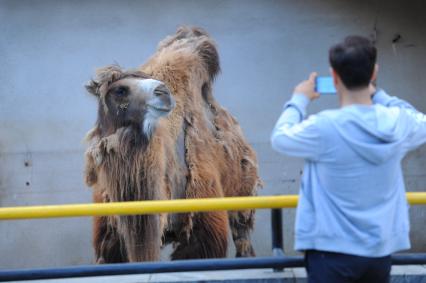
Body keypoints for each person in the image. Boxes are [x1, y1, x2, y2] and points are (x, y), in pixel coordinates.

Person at [270, 35, 426, 283]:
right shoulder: (398, 122)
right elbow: (420, 120)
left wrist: (299, 99)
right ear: (374, 73)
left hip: (331, 253)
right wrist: (380, 96)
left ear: (334, 77)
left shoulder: (324, 127)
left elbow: (280, 137)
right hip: (379, 250)